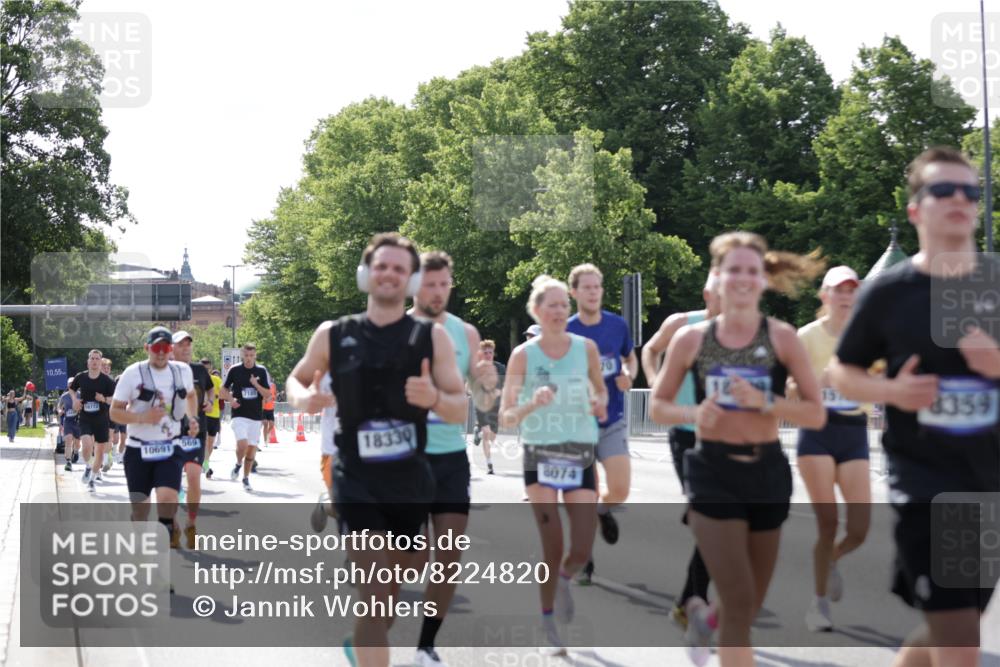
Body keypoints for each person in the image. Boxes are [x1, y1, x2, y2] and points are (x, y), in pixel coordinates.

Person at [830, 146, 1000, 667]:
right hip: (927, 485)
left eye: (969, 191)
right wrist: (892, 393)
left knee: (955, 625)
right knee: (960, 642)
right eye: (942, 190)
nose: (959, 200)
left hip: (989, 486)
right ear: (915, 210)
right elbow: (841, 372)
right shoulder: (888, 294)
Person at [286, 232, 467, 667]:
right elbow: (296, 379)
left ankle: (362, 641)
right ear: (366, 274)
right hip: (356, 476)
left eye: (399, 269)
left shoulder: (432, 338)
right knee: (375, 587)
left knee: (395, 585)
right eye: (382, 266)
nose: (389, 274)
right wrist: (303, 399)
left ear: (410, 281)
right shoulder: (333, 334)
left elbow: (460, 406)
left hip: (410, 477)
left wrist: (435, 399)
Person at [650, 231, 825, 667]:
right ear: (717, 278)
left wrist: (767, 402)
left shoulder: (783, 338)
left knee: (743, 606)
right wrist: (694, 415)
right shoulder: (692, 340)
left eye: (752, 271)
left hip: (766, 472)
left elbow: (816, 414)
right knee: (741, 595)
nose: (743, 279)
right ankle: (716, 625)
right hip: (713, 472)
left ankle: (707, 621)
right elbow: (658, 405)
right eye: (734, 271)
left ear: (763, 279)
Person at [499, 274, 608, 656]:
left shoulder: (587, 348)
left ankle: (565, 578)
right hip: (540, 454)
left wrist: (598, 403)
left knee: (581, 547)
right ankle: (549, 622)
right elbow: (506, 417)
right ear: (537, 311)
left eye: (565, 304)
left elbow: (601, 391)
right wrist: (533, 403)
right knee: (553, 544)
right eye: (553, 305)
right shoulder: (523, 356)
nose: (560, 311)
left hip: (578, 451)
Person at [408, 250, 497, 667]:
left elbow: (481, 397)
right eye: (430, 284)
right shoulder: (394, 328)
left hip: (448, 455)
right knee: (412, 563)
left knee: (448, 556)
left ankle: (426, 645)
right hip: (403, 458)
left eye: (445, 284)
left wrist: (486, 385)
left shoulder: (466, 332)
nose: (439, 292)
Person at [792, 265, 872, 632]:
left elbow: (885, 382)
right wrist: (814, 383)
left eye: (851, 290)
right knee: (827, 523)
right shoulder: (806, 337)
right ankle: (818, 603)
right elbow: (786, 390)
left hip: (854, 430)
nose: (845, 296)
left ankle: (833, 560)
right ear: (824, 296)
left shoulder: (871, 337)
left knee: (859, 529)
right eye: (837, 290)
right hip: (817, 431)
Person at [640, 271, 721, 626]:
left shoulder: (748, 333)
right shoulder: (682, 325)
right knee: (709, 516)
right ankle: (695, 598)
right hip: (686, 432)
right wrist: (656, 382)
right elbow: (650, 349)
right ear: (707, 294)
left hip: (725, 436)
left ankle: (691, 597)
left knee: (715, 520)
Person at [566, 263, 638, 581]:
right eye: (587, 287)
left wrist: (629, 375)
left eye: (597, 287)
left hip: (612, 418)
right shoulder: (566, 331)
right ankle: (585, 559)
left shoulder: (617, 325)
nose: (594, 292)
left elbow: (629, 358)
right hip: (577, 424)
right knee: (584, 495)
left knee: (620, 488)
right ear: (574, 292)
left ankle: (603, 509)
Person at [111, 326, 198, 563]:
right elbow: (114, 412)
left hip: (169, 448)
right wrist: (141, 418)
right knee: (141, 511)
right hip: (137, 449)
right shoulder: (133, 374)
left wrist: (192, 419)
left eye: (166, 348)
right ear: (147, 348)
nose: (161, 353)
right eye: (156, 348)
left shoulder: (181, 371)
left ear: (171, 350)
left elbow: (190, 396)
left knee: (168, 499)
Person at [172, 331, 215, 548]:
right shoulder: (164, 371)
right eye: (181, 344)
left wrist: (209, 400)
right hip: (169, 432)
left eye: (189, 344)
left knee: (194, 477)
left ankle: (190, 523)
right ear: (171, 348)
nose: (187, 348)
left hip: (196, 430)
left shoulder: (199, 369)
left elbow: (210, 388)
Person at [220, 343, 271, 492]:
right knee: (242, 444)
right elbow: (223, 390)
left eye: (251, 356)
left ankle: (245, 478)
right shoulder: (235, 370)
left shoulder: (261, 371)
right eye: (246, 356)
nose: (248, 359)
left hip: (255, 416)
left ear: (255, 355)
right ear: (242, 355)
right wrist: (230, 399)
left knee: (251, 451)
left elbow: (267, 395)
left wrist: (256, 384)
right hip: (239, 414)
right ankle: (238, 463)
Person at [70, 350, 117, 491]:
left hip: (101, 419)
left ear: (100, 362)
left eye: (97, 359)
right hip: (85, 417)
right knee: (86, 446)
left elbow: (114, 399)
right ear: (88, 361)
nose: (95, 361)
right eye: (92, 358)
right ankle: (88, 466)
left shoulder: (107, 380)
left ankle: (92, 479)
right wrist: (75, 400)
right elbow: (72, 389)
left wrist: (103, 399)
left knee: (100, 452)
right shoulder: (81, 377)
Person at [474, 340, 505, 475]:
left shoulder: (500, 368)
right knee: (487, 432)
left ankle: (478, 433)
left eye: (490, 352)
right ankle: (489, 464)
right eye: (485, 353)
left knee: (491, 435)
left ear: (493, 353)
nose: (488, 355)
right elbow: (468, 389)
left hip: (496, 406)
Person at [201, 359, 223, 479]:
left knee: (210, 442)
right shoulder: (197, 379)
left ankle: (206, 462)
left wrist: (216, 395)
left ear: (210, 368)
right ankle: (206, 465)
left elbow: (224, 393)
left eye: (208, 368)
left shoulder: (216, 380)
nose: (206, 370)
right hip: (202, 414)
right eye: (203, 368)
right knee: (204, 441)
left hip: (214, 414)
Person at [58, 387, 81, 471]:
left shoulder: (80, 394)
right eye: (70, 384)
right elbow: (59, 406)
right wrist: (60, 411)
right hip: (68, 421)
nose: (72, 386)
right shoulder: (64, 396)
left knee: (77, 443)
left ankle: (75, 452)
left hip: (78, 421)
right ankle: (68, 462)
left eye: (73, 384)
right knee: (68, 440)